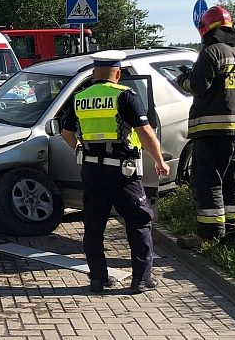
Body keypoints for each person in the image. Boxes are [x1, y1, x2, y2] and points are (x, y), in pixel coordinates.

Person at [61, 50, 170, 293]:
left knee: (94, 224)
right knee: (139, 220)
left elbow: (66, 133)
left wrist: (80, 148)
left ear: (93, 73)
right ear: (118, 74)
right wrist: (159, 160)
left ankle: (98, 279)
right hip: (121, 172)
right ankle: (141, 279)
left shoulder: (80, 97)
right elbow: (144, 132)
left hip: (91, 170)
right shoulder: (125, 95)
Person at [177, 6, 235, 249]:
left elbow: (198, 86)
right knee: (231, 179)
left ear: (206, 29)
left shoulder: (210, 52)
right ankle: (233, 231)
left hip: (211, 129)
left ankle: (208, 233)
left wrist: (183, 79)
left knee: (207, 179)